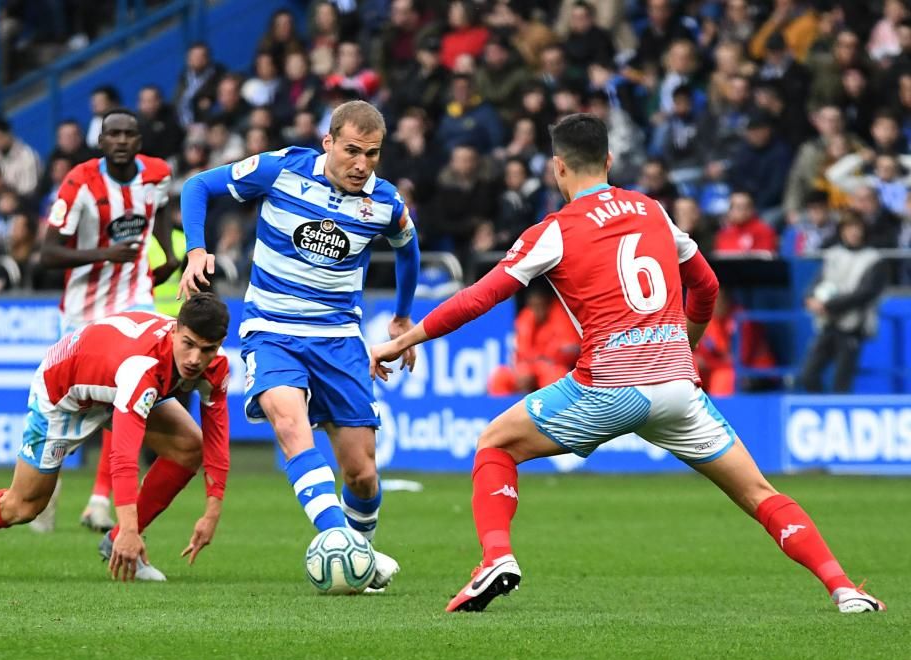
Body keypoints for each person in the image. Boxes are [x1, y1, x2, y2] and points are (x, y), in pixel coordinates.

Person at [371, 113, 885, 615]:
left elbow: (481, 296)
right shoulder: (653, 210)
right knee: (759, 493)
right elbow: (706, 285)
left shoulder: (554, 230)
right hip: (679, 390)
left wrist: (407, 338)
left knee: (495, 445)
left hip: (610, 387)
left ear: (558, 169)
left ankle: (496, 558)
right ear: (610, 160)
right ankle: (844, 589)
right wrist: (688, 343)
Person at [178, 101, 421, 592]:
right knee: (290, 426)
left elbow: (408, 250)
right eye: (352, 151)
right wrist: (197, 250)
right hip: (272, 330)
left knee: (362, 474)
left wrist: (401, 315)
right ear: (328, 143)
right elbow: (197, 186)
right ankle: (344, 546)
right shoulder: (282, 169)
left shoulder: (385, 202)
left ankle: (359, 552)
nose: (361, 164)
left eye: (372, 155)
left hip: (338, 340)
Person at [0, 295, 232, 582]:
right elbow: (123, 457)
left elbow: (217, 439)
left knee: (190, 446)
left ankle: (118, 541)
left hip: (111, 386)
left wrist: (211, 513)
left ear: (219, 345)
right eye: (188, 344)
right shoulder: (142, 369)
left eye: (207, 349)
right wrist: (130, 528)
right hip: (63, 393)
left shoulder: (214, 366)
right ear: (175, 330)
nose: (195, 359)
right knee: (24, 506)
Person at [37, 108, 181, 533]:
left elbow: (160, 214)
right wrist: (104, 254)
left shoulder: (156, 175)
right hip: (83, 309)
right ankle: (47, 482)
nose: (120, 140)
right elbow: (47, 254)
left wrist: (168, 256)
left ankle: (100, 501)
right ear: (101, 141)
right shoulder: (79, 182)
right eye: (112, 134)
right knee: (65, 408)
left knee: (130, 398)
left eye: (128, 134)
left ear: (139, 141)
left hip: (134, 301)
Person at [798, 214, 888, 393]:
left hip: (852, 327)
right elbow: (817, 282)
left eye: (857, 227)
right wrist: (809, 298)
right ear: (842, 231)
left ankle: (835, 413)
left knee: (841, 383)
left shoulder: (874, 259)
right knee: (807, 376)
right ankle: (822, 412)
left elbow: (865, 293)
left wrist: (828, 305)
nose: (853, 232)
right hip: (827, 325)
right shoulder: (833, 255)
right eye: (849, 227)